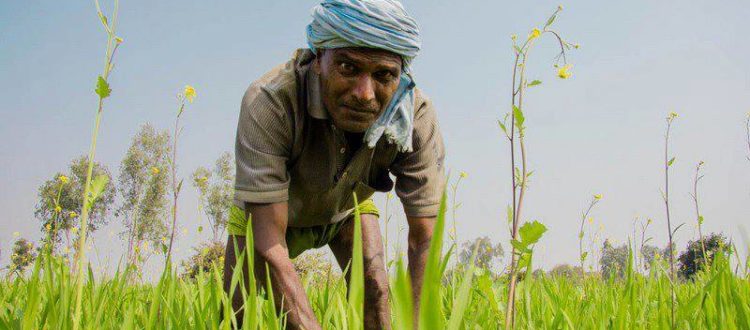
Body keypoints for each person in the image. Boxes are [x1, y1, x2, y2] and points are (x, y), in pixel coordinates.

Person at [222, 1, 445, 328]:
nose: (364, 94)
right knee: (237, 317)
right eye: (348, 68)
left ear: (402, 75)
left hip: (346, 206)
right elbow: (269, 242)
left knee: (377, 290)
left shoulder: (415, 118)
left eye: (383, 75)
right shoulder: (270, 102)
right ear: (318, 60)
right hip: (265, 216)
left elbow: (424, 238)